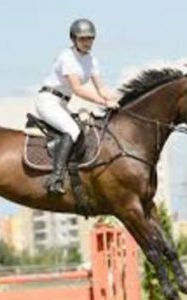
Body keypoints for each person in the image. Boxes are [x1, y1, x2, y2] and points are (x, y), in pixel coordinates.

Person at [35, 18, 119, 195]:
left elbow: (102, 88)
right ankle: (55, 178)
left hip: (62, 103)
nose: (87, 42)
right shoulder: (67, 57)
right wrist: (104, 103)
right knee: (73, 130)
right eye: (83, 39)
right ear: (74, 39)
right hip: (48, 101)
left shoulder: (91, 60)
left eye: (90, 38)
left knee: (85, 128)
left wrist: (118, 100)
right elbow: (78, 89)